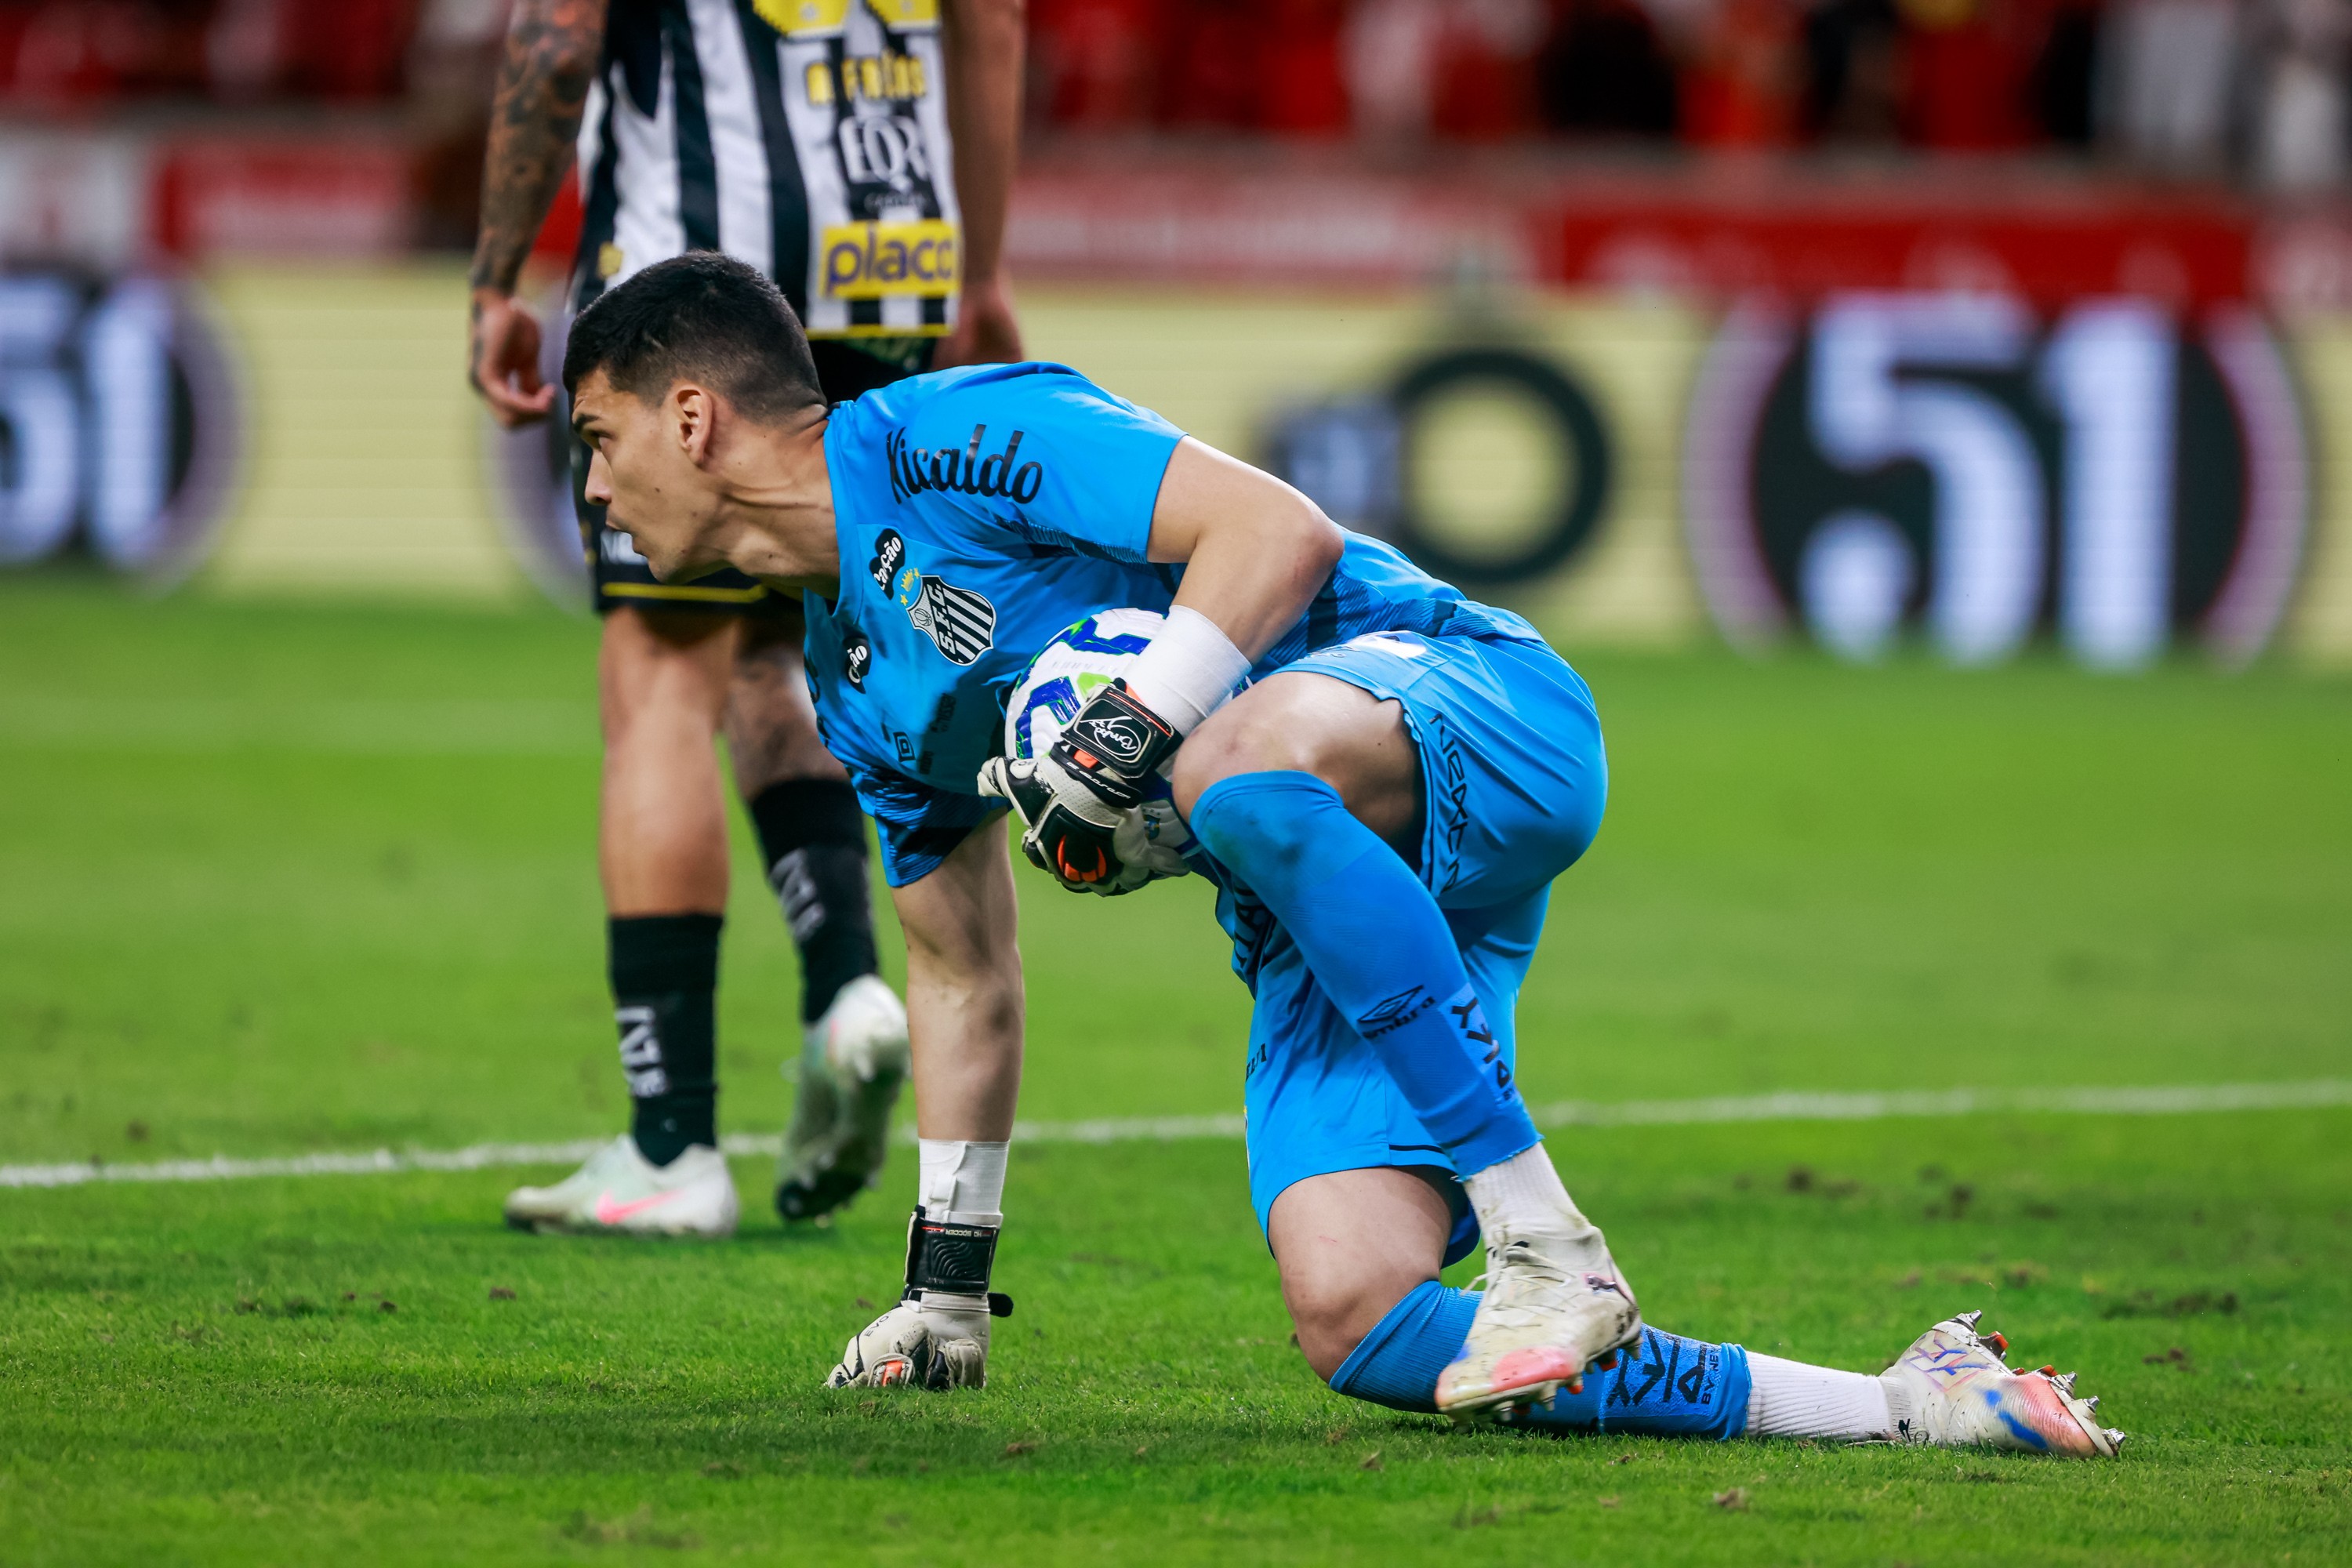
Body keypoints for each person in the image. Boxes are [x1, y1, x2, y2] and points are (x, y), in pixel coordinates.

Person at [552, 251, 2125, 1450]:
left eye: (601, 438)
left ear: (693, 414)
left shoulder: (955, 433)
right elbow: (963, 972)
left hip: (1467, 703)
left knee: (1228, 765)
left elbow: (1279, 533)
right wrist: (946, 1291)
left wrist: (1129, 731)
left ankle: (1548, 1242)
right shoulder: (852, 687)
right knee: (1357, 1313)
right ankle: (1910, 1404)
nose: (598, 489)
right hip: (1325, 890)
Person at [463, 0, 1025, 1235]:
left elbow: (561, 36)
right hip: (888, 260)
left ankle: (671, 1144)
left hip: (696, 272)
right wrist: (979, 271)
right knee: (788, 638)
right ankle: (845, 987)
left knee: (659, 682)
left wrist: (495, 275)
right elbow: (991, 21)